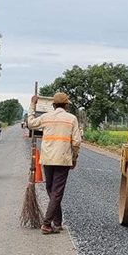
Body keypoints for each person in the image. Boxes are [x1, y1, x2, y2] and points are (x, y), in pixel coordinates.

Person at [26, 92, 81, 234]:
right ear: (66, 105)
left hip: (48, 159)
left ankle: (54, 222)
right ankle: (49, 223)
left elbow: (31, 124)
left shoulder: (46, 117)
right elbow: (76, 142)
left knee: (51, 190)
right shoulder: (72, 119)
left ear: (53, 105)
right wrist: (74, 158)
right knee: (56, 192)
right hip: (63, 159)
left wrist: (33, 104)